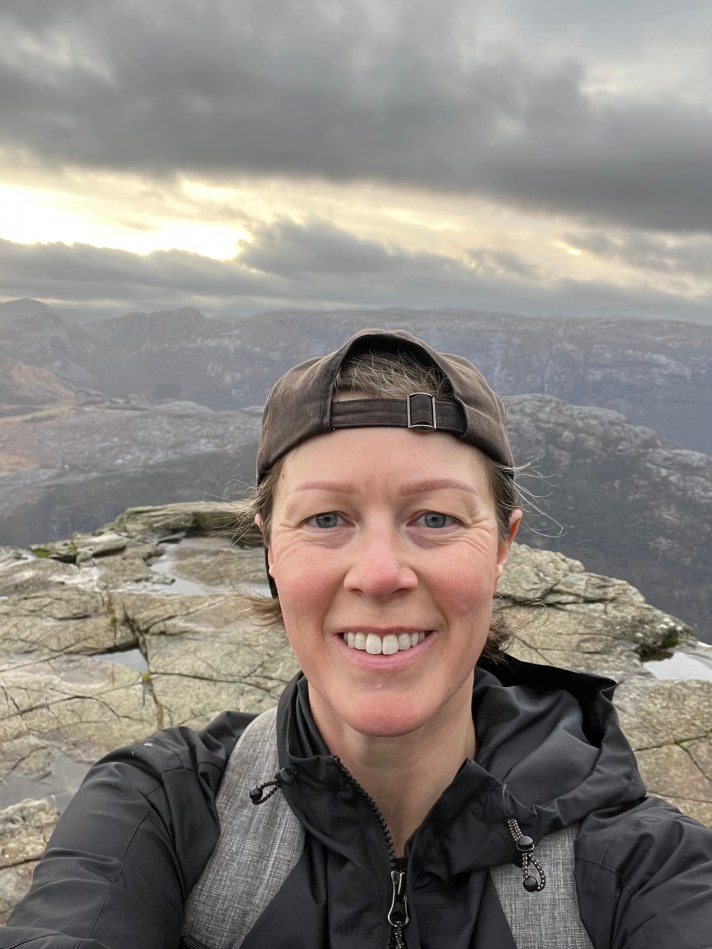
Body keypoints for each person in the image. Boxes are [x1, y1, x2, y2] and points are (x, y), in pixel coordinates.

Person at [3, 328, 711, 948]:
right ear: (269, 548)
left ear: (502, 546)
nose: (378, 574)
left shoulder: (640, 864)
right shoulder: (161, 805)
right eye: (325, 519)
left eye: (435, 518)